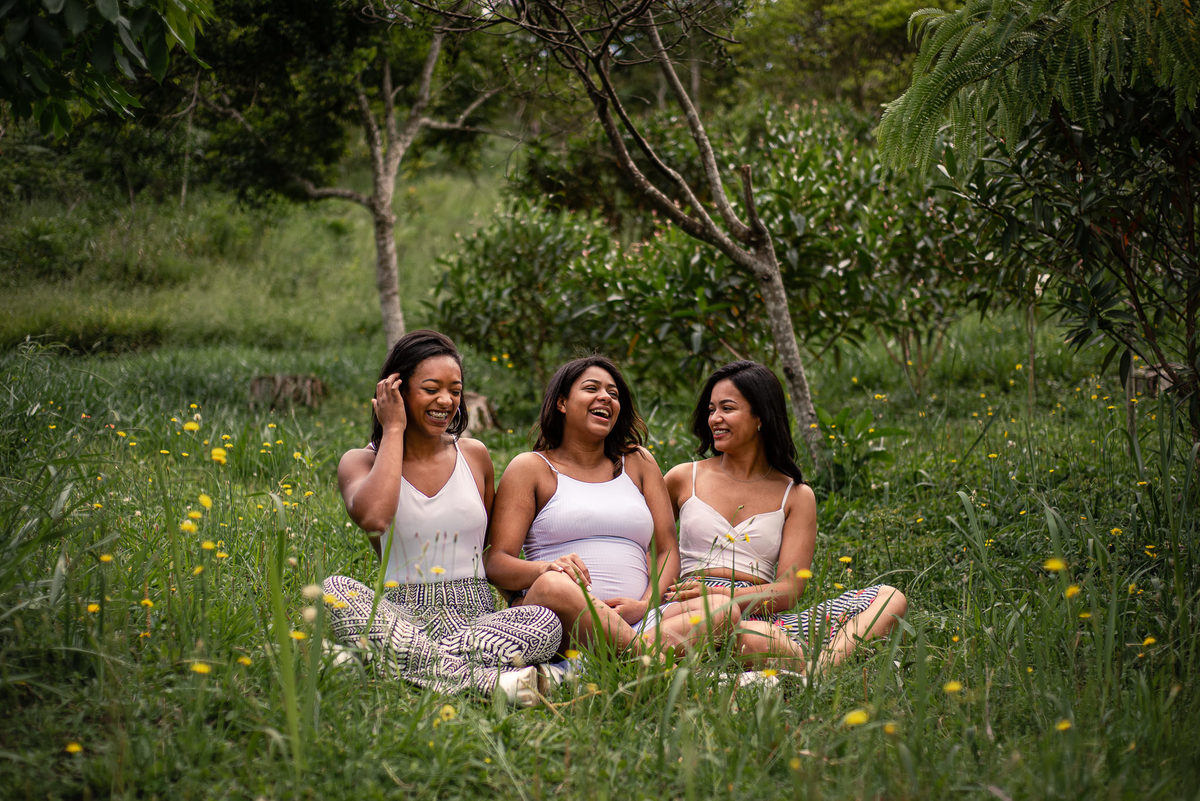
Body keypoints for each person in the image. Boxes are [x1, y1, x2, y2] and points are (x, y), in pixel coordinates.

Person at [321, 330, 562, 703]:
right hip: (401, 615)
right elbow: (374, 519)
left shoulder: (474, 455)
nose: (446, 401)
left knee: (545, 622)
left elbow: (490, 551)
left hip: (476, 618)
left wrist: (523, 595)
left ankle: (378, 663)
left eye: (455, 390)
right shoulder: (361, 462)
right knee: (334, 590)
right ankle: (490, 683)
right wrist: (394, 429)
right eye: (431, 389)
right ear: (396, 391)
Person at [661, 360, 907, 674]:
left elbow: (789, 590)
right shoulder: (683, 478)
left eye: (727, 408)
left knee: (890, 598)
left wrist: (725, 594)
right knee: (745, 635)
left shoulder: (796, 495)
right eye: (711, 410)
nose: (715, 419)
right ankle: (812, 664)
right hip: (695, 610)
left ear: (761, 417)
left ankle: (820, 667)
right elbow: (650, 549)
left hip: (765, 617)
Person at [486, 355, 739, 656]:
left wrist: (645, 605)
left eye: (613, 393)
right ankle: (647, 661)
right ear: (562, 403)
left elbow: (666, 549)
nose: (605, 397)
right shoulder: (531, 468)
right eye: (591, 388)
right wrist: (547, 568)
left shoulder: (638, 462)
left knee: (724, 607)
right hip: (562, 618)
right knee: (553, 584)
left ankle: (631, 656)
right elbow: (497, 562)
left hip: (642, 620)